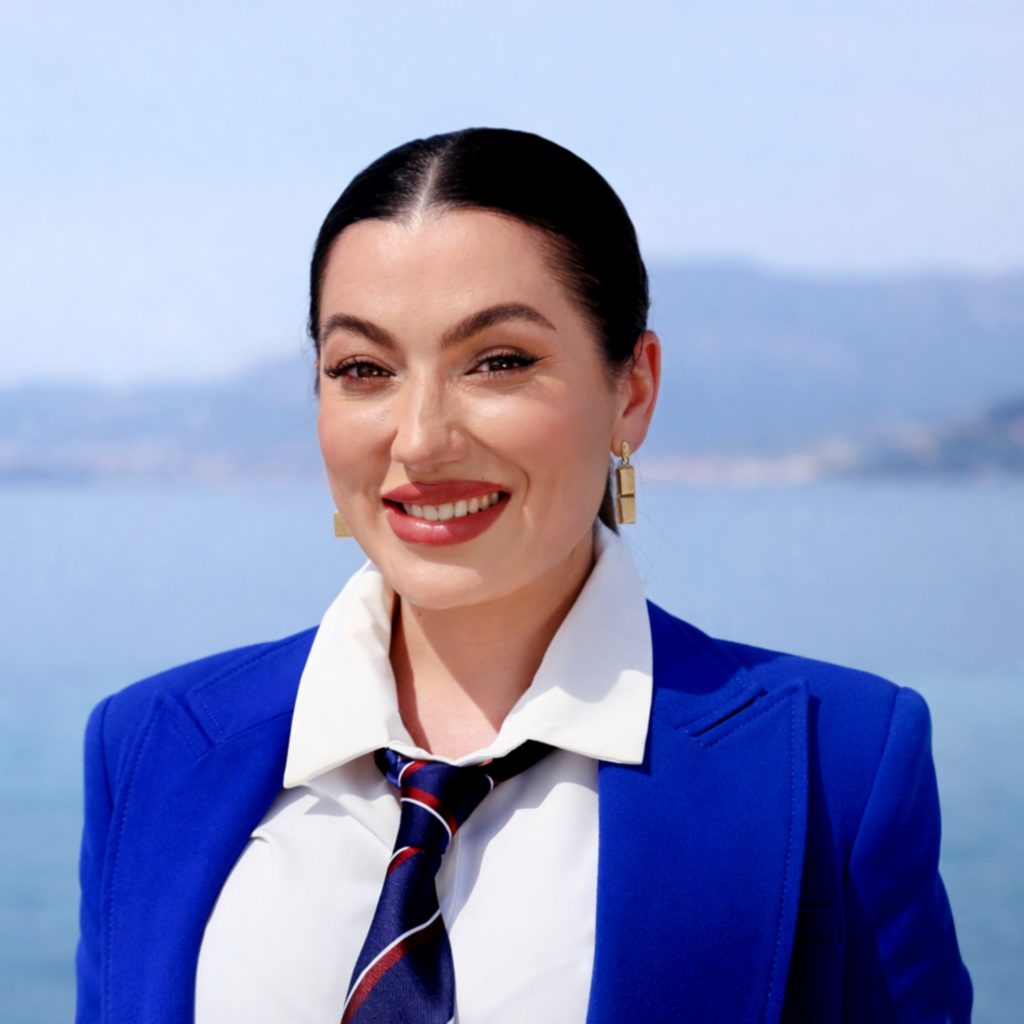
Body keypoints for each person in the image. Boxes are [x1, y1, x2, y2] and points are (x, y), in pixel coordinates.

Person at [75, 128, 972, 1023]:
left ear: (633, 390)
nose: (420, 439)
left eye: (498, 362)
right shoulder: (148, 746)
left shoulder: (838, 762)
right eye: (363, 369)